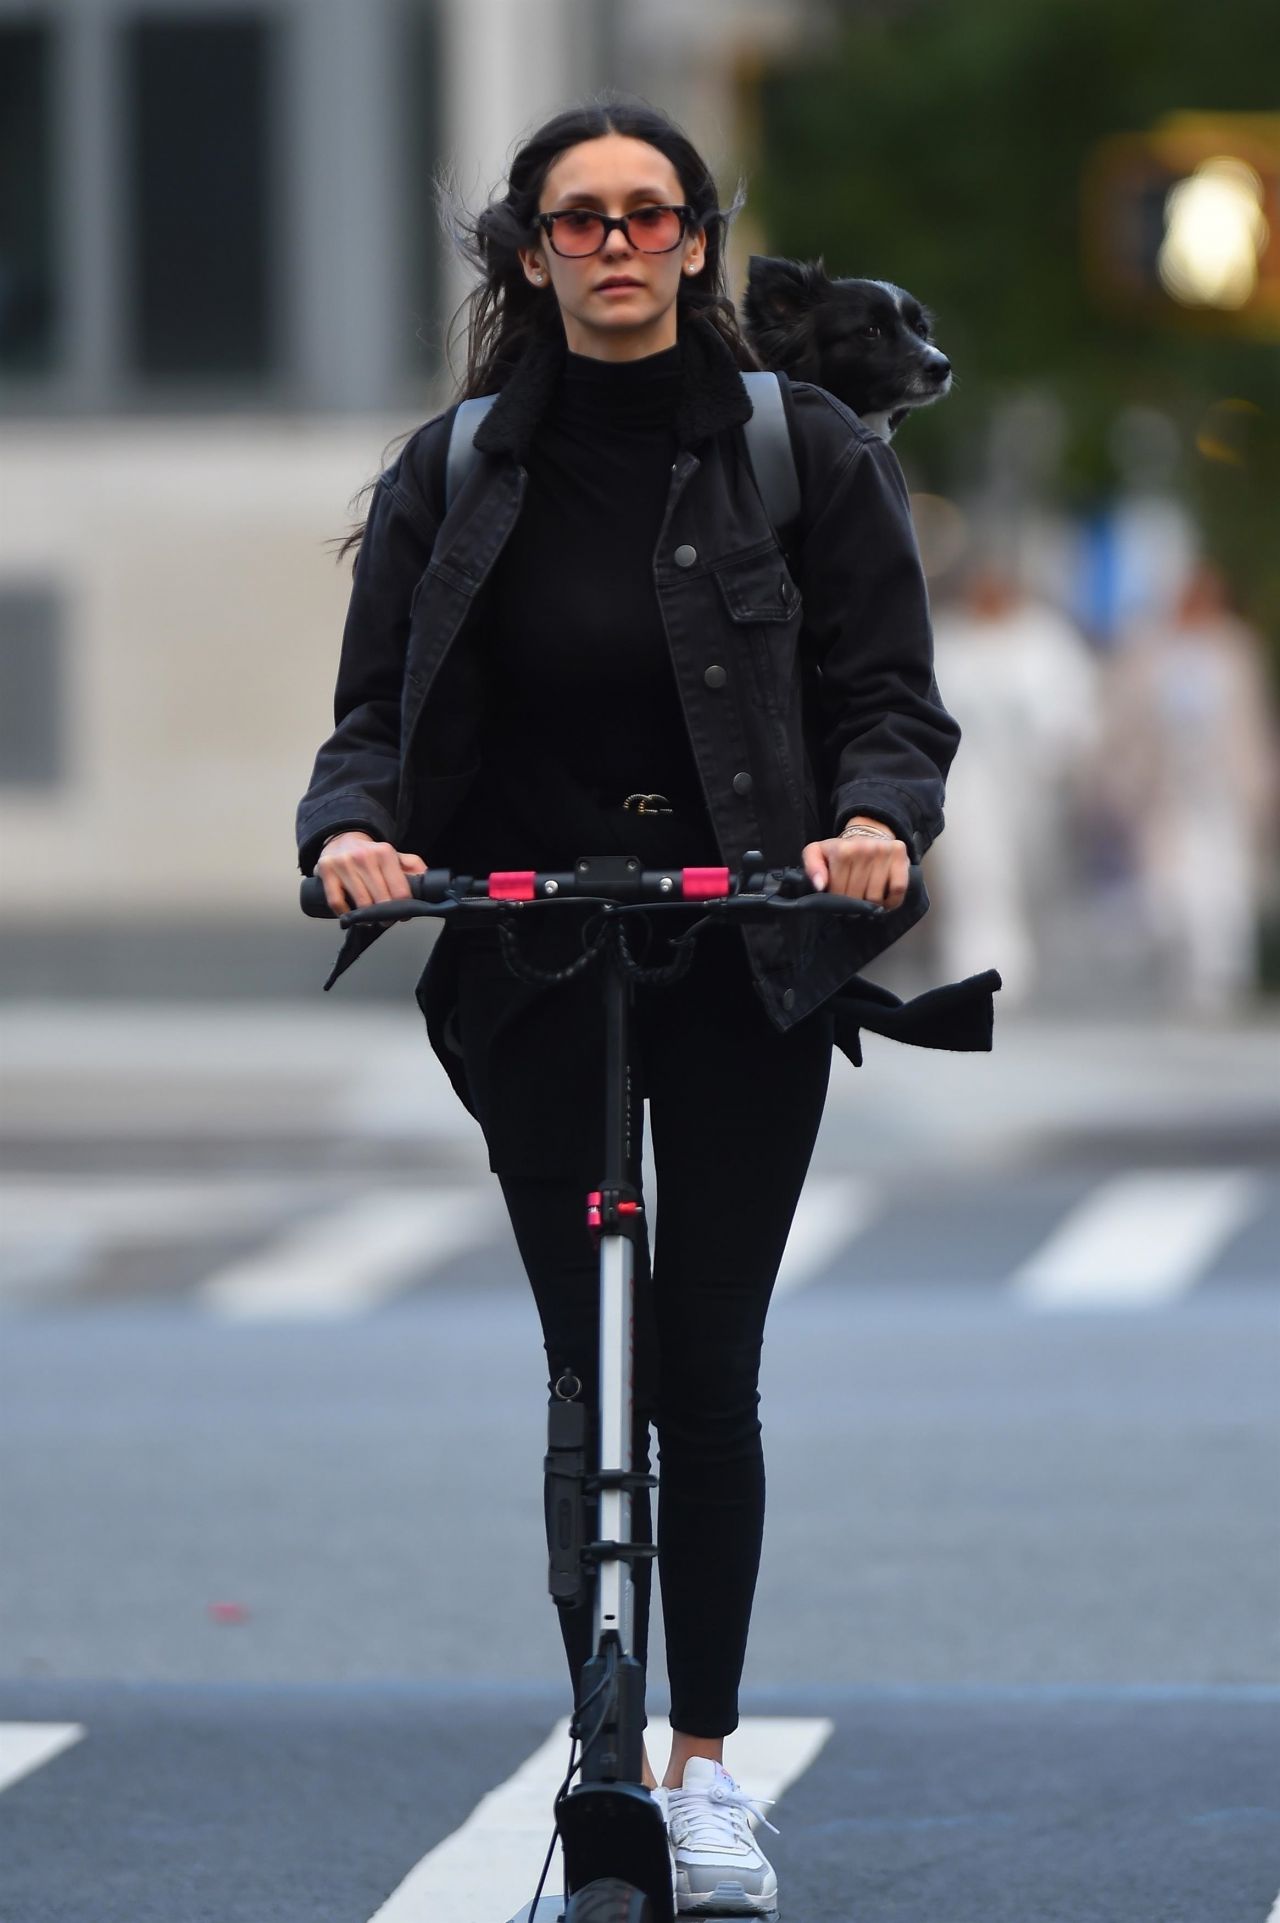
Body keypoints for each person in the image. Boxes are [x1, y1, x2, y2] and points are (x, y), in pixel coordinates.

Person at [296, 95, 998, 1917]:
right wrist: (356, 835)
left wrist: (869, 826)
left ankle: (699, 1766)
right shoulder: (451, 472)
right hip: (534, 955)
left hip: (750, 945)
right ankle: (593, 1745)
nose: (617, 245)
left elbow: (893, 706)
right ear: (533, 254)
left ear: (697, 239)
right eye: (580, 220)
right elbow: (368, 719)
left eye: (649, 215)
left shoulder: (802, 449)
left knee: (707, 1370)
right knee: (584, 1365)